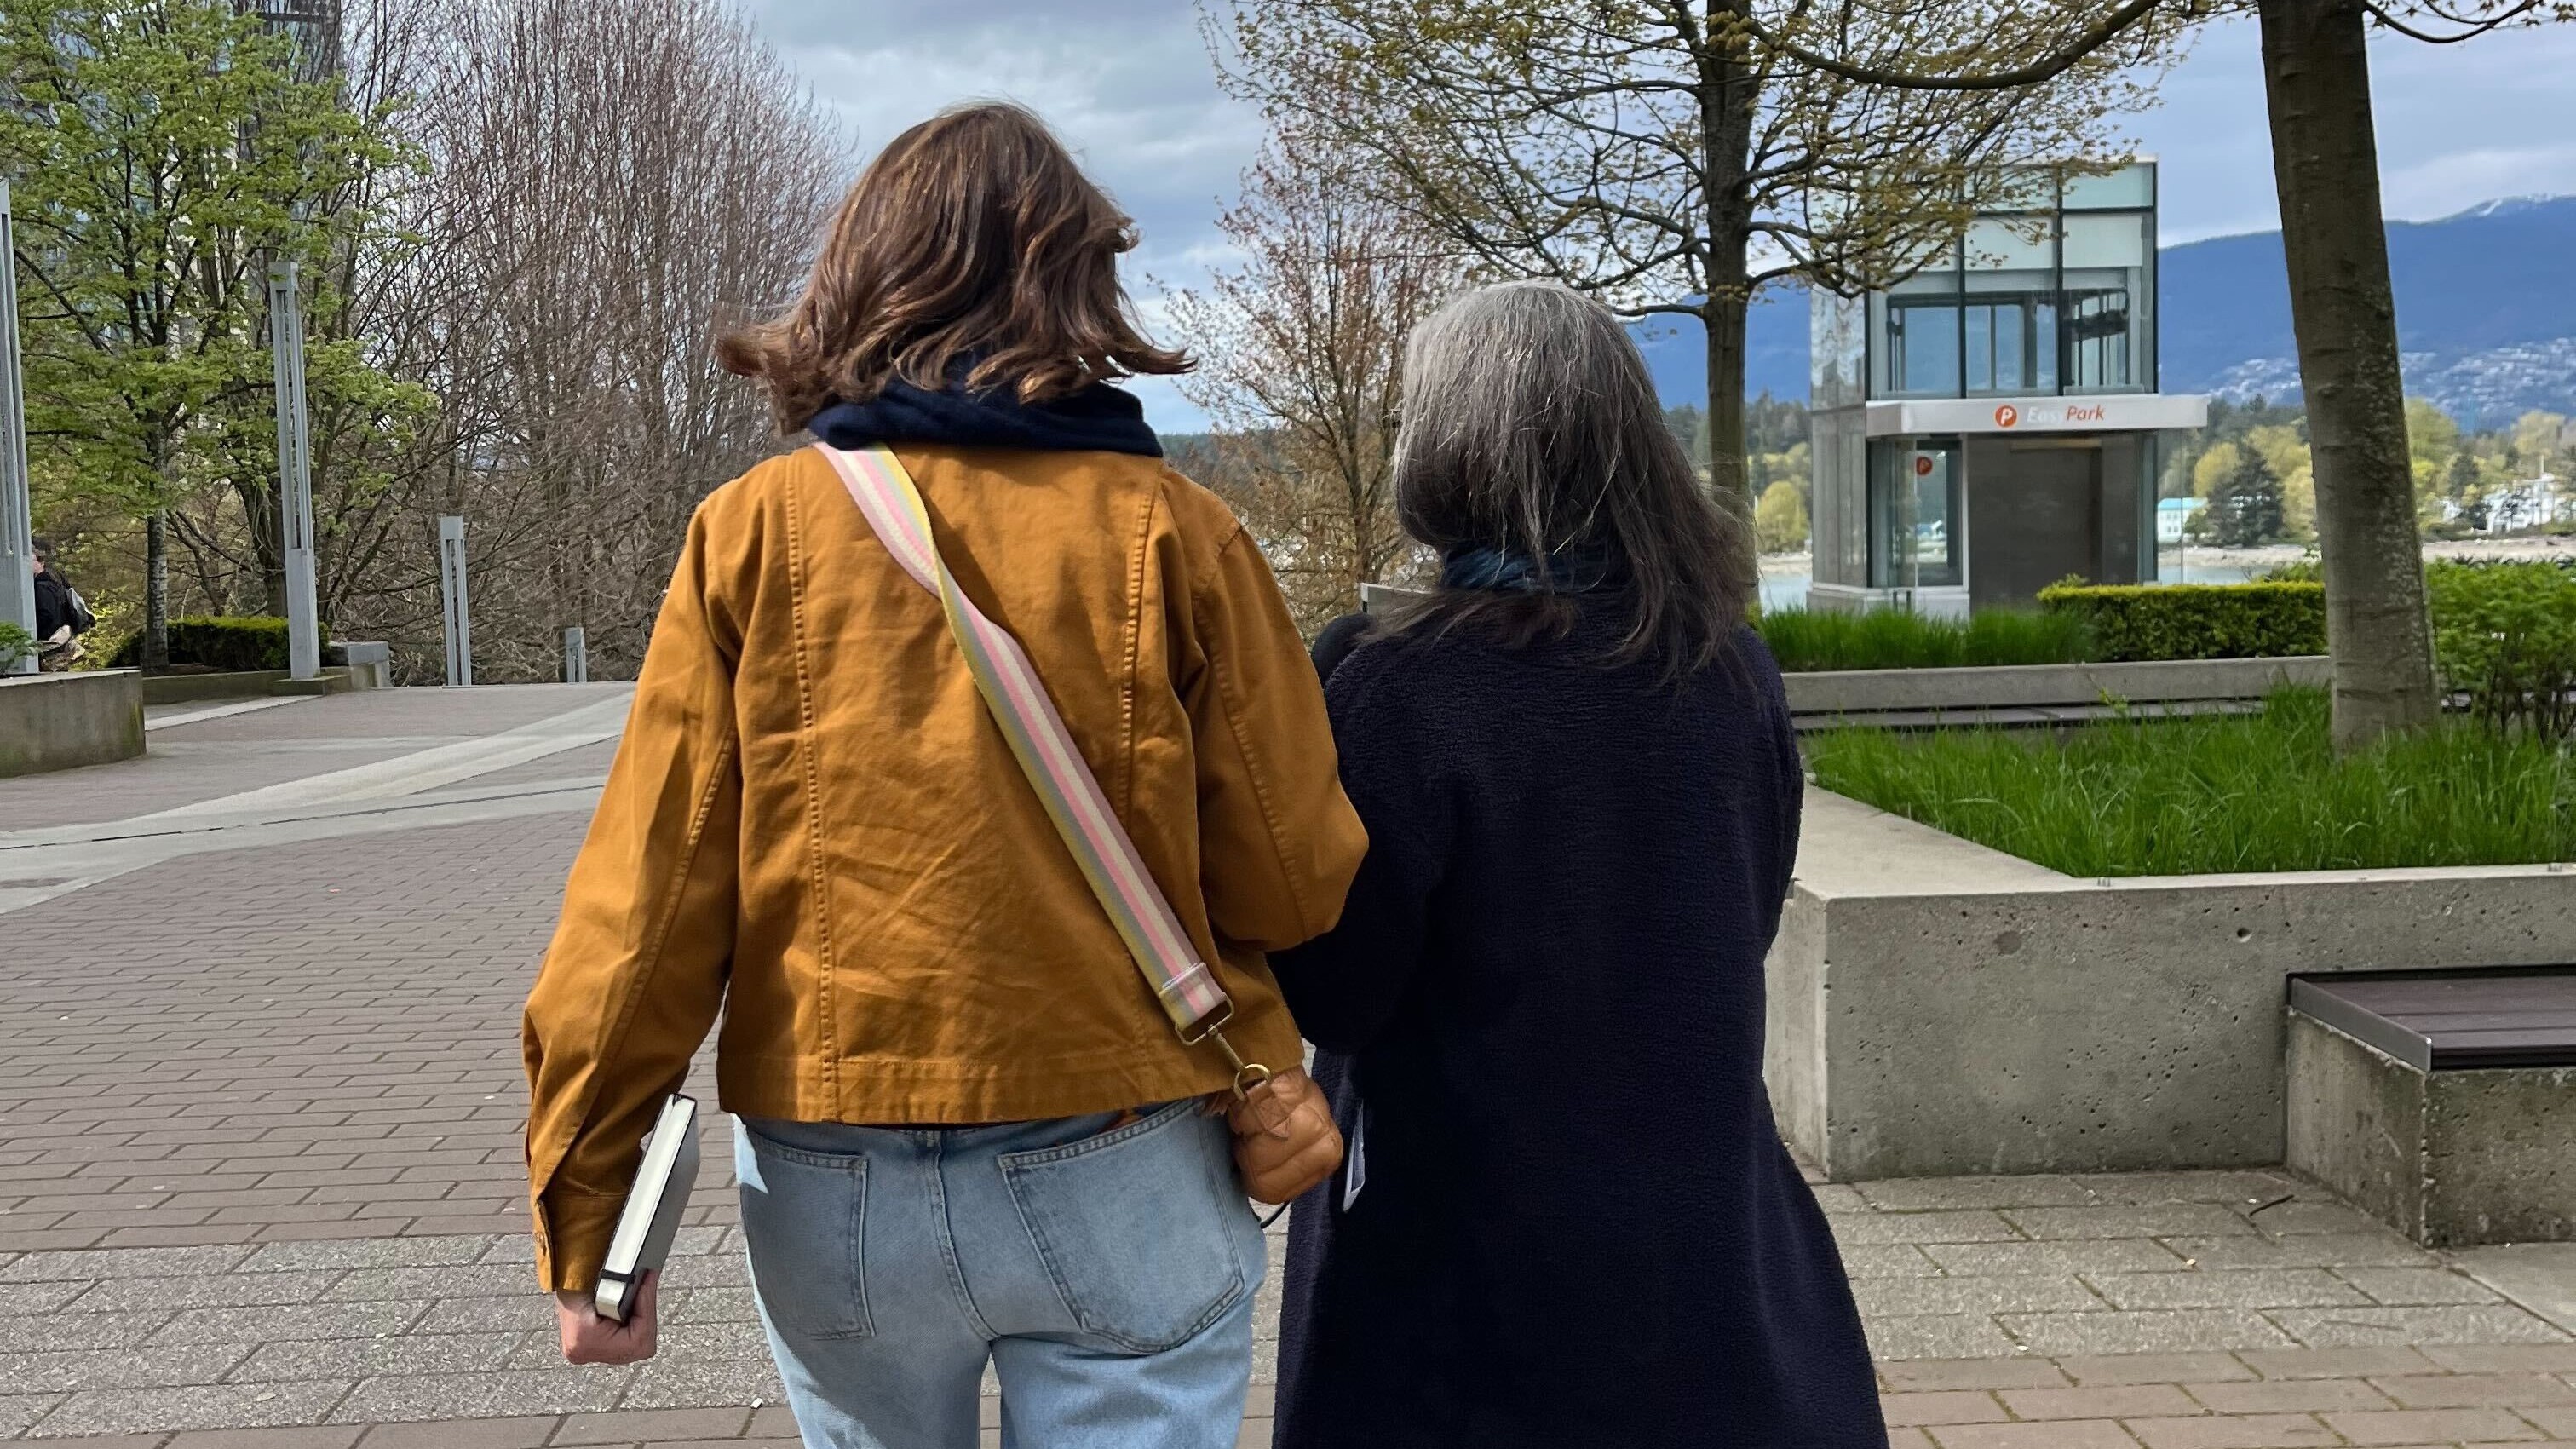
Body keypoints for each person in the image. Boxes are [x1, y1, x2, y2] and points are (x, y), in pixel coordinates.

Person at [520, 101, 1367, 1449]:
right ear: (1080, 285)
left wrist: (593, 1216)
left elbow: (645, 912)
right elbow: (1294, 874)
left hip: (829, 1165)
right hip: (1125, 1137)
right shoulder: (1183, 536)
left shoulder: (750, 534)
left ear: (858, 276)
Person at [1269, 281, 1889, 1447]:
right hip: (1701, 1239)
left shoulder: (1397, 686)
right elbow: (1745, 907)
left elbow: (1340, 992)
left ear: (1440, 451)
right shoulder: (1727, 667)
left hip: (1462, 1262)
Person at [29, 538, 84, 668]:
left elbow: (47, 614)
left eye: (30, 560)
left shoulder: (41, 586)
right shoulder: (55, 581)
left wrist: (35, 635)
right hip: (62, 637)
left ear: (40, 562)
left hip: (51, 641)